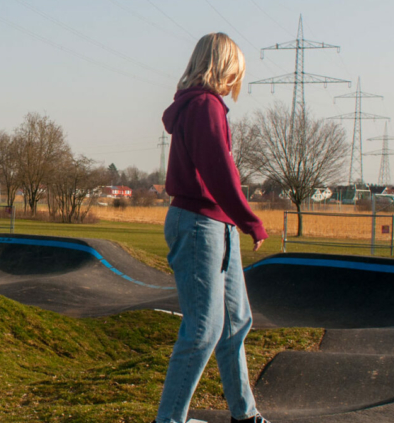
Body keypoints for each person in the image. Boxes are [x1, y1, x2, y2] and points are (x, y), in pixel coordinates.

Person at [153, 33, 269, 423]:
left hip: (217, 224)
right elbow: (218, 172)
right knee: (205, 327)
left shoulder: (206, 106)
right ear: (223, 66)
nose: (238, 76)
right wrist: (250, 219)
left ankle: (245, 414)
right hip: (200, 223)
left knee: (236, 322)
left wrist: (235, 221)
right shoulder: (204, 106)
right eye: (236, 68)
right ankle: (169, 419)